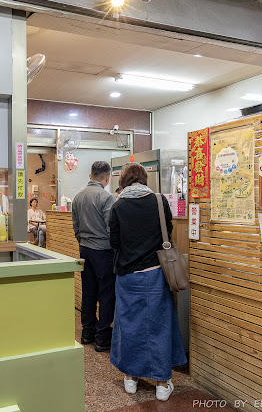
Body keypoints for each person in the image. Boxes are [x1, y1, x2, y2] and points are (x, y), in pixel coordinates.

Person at [108, 162, 187, 400]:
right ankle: (162, 384)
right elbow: (168, 232)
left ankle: (131, 378)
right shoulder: (159, 201)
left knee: (129, 325)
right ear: (144, 179)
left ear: (123, 181)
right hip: (156, 273)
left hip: (127, 277)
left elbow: (114, 243)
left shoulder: (118, 206)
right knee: (159, 325)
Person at [72, 161, 116, 353]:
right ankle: (102, 336)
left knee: (88, 291)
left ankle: (87, 332)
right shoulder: (106, 197)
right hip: (103, 251)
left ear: (91, 175)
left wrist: (83, 241)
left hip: (85, 249)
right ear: (107, 177)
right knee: (106, 293)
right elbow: (111, 228)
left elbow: (75, 226)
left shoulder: (78, 196)